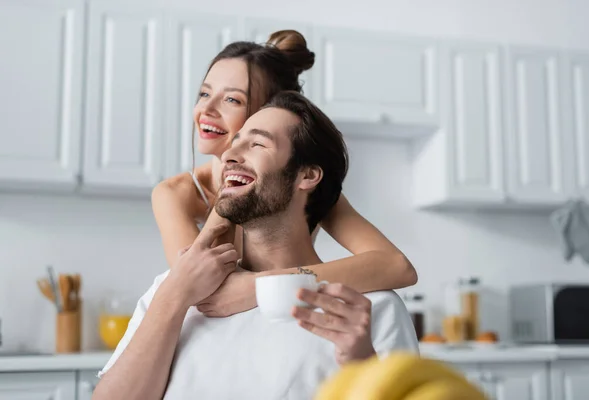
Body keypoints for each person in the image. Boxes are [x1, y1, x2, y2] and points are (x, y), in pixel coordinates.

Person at [93, 91, 419, 400]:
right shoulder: (175, 287)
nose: (229, 155)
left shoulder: (368, 310)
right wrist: (173, 297)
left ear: (307, 175)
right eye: (235, 143)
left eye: (257, 144)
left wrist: (362, 365)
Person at [151, 30, 417, 317]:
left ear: (270, 111)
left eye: (232, 100)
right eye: (204, 93)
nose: (207, 109)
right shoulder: (175, 193)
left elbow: (396, 266)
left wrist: (260, 285)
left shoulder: (295, 181)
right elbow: (204, 290)